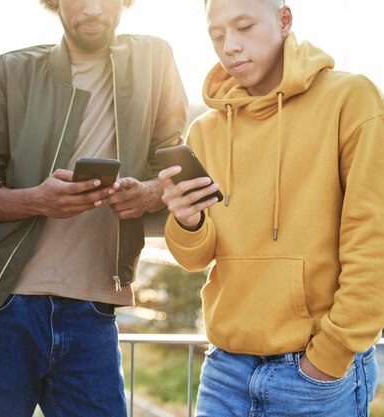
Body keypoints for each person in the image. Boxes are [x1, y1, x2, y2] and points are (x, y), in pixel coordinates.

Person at [0, 0, 188, 415]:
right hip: (0, 305)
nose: (93, 9)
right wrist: (36, 200)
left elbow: (172, 169)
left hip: (93, 308)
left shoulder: (156, 60)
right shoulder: (11, 71)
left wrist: (148, 193)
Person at [160, 0, 383, 415]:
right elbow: (195, 258)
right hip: (225, 369)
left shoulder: (351, 99)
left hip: (314, 377)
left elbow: (373, 239)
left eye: (244, 27)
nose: (230, 46)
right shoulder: (205, 131)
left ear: (284, 20)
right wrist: (187, 222)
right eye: (217, 34)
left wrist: (330, 357)